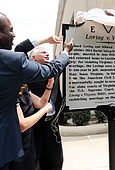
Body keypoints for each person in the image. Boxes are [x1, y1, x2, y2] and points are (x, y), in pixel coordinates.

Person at [0, 12, 73, 169]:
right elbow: (21, 49)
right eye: (10, 29)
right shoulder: (16, 67)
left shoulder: (20, 77)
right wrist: (66, 52)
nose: (14, 34)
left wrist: (49, 84)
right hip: (19, 142)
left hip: (49, 132)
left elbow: (41, 102)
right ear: (32, 59)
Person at [15, 37, 67, 170]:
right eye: (42, 52)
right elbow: (20, 49)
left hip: (52, 127)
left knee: (56, 161)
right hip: (34, 127)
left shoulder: (53, 70)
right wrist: (45, 40)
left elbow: (63, 60)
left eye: (47, 52)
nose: (47, 53)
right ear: (33, 59)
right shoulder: (29, 72)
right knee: (34, 162)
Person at [10, 78, 54, 170]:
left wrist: (50, 84)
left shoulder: (23, 87)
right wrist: (44, 110)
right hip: (17, 147)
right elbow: (22, 124)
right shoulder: (10, 91)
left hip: (28, 143)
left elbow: (40, 102)